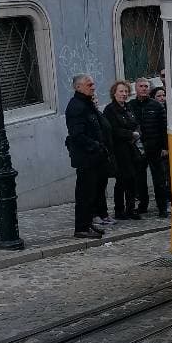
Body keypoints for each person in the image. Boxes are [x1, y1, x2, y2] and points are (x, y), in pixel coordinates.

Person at [64, 74, 107, 240]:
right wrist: (95, 145)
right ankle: (81, 227)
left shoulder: (86, 103)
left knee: (92, 193)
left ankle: (87, 223)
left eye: (93, 84)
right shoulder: (76, 106)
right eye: (89, 85)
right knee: (84, 194)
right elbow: (77, 134)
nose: (93, 87)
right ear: (78, 87)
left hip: (94, 157)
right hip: (86, 158)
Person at [103, 81, 144, 220]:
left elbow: (136, 123)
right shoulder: (109, 110)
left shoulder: (128, 107)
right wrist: (130, 134)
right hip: (119, 150)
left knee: (132, 179)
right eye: (121, 91)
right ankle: (119, 210)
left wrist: (137, 132)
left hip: (132, 148)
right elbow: (112, 130)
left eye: (126, 91)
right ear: (114, 93)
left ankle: (131, 208)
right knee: (122, 180)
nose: (124, 94)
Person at [131, 76, 169, 218]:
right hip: (139, 148)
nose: (144, 89)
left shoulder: (156, 106)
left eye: (146, 86)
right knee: (140, 179)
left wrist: (165, 147)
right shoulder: (131, 106)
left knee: (159, 179)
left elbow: (163, 127)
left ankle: (162, 207)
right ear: (136, 88)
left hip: (155, 147)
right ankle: (143, 205)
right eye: (141, 86)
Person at [93, 94, 116, 228]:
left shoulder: (99, 114)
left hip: (105, 154)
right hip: (97, 155)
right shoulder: (90, 116)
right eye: (92, 99)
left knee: (102, 186)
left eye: (96, 99)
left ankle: (103, 213)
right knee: (95, 187)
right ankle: (95, 214)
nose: (95, 101)